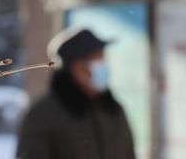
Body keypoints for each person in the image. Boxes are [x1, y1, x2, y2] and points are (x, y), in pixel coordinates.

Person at [16, 28, 136, 159]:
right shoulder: (43, 113)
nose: (103, 65)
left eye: (103, 58)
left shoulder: (113, 109)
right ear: (75, 66)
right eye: (96, 59)